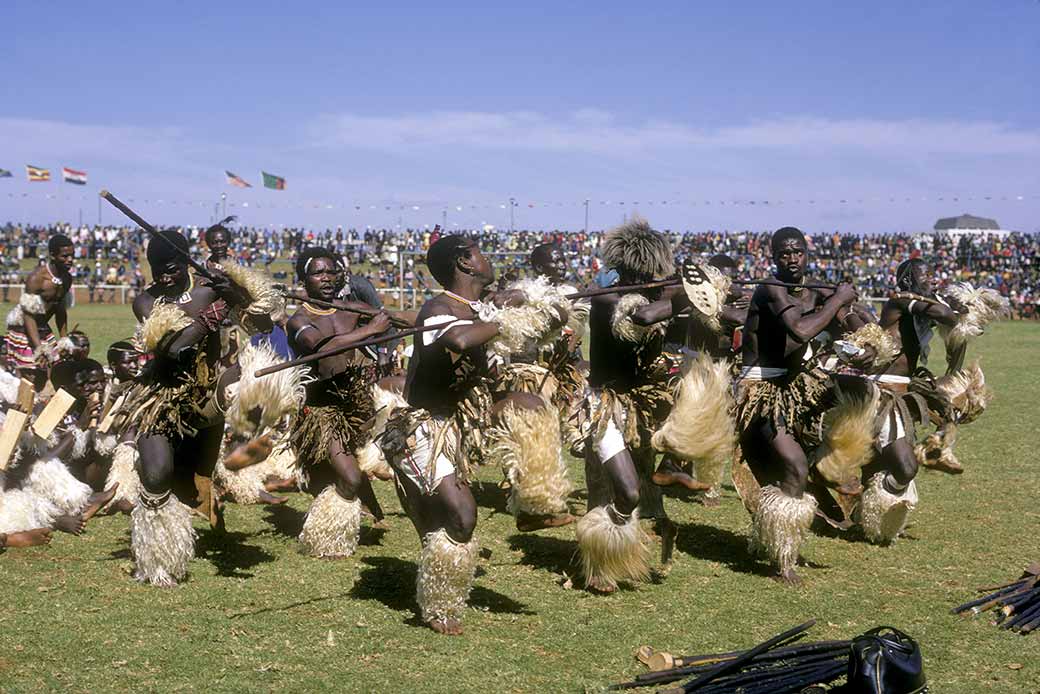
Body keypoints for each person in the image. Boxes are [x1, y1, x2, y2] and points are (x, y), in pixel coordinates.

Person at [380, 235, 548, 634]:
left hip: (456, 426)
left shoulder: (475, 308)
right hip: (420, 430)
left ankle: (438, 581)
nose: (487, 261)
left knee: (443, 521)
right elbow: (456, 338)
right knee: (461, 515)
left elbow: (506, 314)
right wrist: (501, 318)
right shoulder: (439, 310)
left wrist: (542, 306)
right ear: (465, 263)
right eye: (480, 254)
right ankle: (438, 603)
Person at [120, 228, 269, 586]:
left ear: (187, 260)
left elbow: (263, 324)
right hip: (160, 395)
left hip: (206, 397)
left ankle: (251, 444)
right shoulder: (146, 301)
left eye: (171, 266)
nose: (163, 275)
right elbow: (173, 348)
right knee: (157, 476)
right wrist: (216, 310)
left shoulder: (211, 286)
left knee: (189, 486)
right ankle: (156, 563)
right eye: (157, 267)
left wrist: (236, 293)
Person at [736, 226, 859, 584]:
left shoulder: (811, 290)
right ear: (773, 257)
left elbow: (839, 325)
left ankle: (774, 544)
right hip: (759, 391)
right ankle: (782, 560)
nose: (791, 259)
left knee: (795, 467)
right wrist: (836, 300)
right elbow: (800, 331)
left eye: (797, 252)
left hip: (791, 388)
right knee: (793, 465)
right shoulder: (770, 289)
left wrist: (855, 325)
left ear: (807, 253)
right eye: (784, 254)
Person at [578, 218, 677, 594]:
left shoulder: (658, 299)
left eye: (651, 271)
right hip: (604, 403)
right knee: (609, 486)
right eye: (641, 270)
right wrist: (680, 296)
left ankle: (618, 555)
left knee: (632, 487)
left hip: (641, 404)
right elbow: (641, 317)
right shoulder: (606, 299)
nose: (647, 276)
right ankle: (596, 562)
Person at [285, 247, 394, 557]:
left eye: (332, 272)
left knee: (353, 469)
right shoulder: (299, 319)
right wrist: (371, 331)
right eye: (319, 273)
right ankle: (325, 536)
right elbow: (321, 346)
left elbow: (391, 319)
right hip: (320, 410)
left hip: (355, 403)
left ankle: (368, 509)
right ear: (304, 279)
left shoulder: (352, 308)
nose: (327, 278)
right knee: (347, 475)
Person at [5, 235, 74, 389]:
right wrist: (38, 347)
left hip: (42, 327)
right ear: (53, 256)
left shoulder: (67, 279)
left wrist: (64, 340)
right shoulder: (37, 278)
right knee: (31, 375)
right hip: (24, 327)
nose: (70, 259)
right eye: (65, 256)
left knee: (54, 370)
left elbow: (60, 310)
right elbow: (28, 315)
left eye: (72, 256)